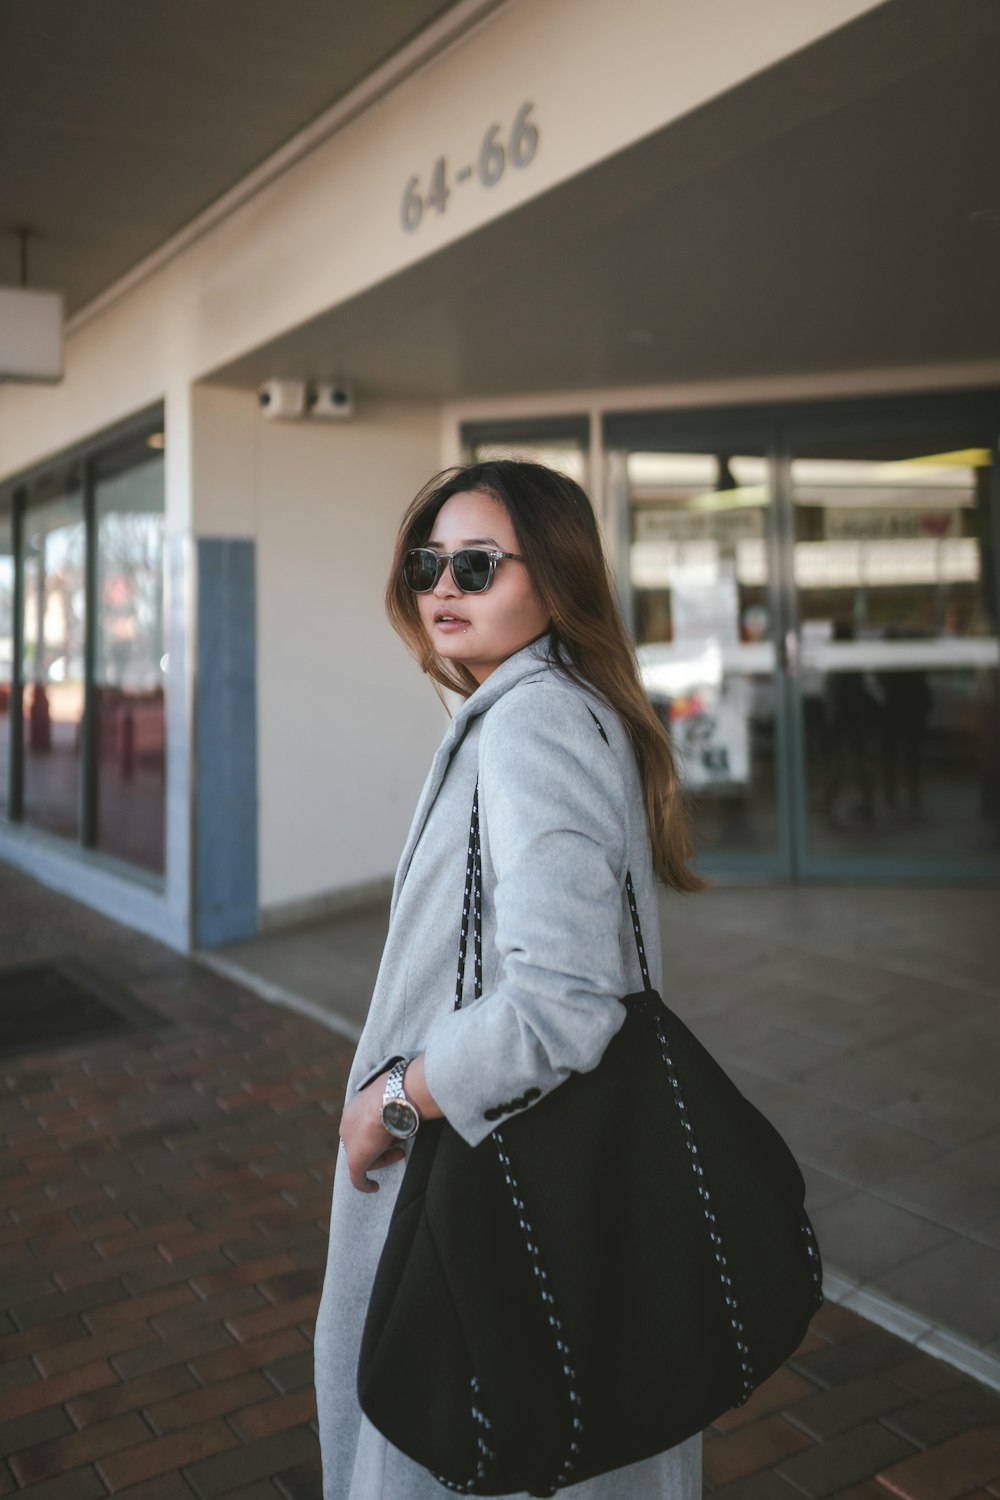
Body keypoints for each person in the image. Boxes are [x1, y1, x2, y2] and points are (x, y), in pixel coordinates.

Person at [314, 460, 705, 1499]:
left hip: (487, 1168)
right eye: (427, 563)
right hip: (537, 1161)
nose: (442, 586)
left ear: (557, 577)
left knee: (453, 1428)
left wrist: (393, 1103)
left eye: (477, 565)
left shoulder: (531, 721)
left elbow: (562, 1001)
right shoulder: (557, 705)